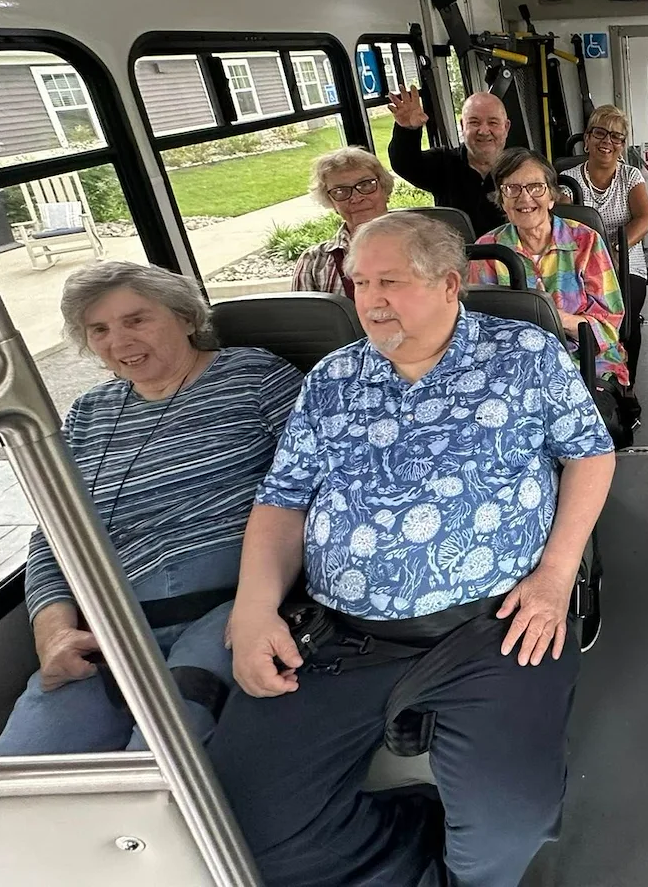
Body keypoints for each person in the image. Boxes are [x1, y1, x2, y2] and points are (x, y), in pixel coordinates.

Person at [210, 213, 616, 887]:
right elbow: (283, 499)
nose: (370, 300)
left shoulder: (523, 354)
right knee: (242, 828)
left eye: (390, 282)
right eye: (360, 283)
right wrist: (255, 608)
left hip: (496, 626)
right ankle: (417, 843)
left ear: (450, 284)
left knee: (508, 834)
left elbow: (591, 455)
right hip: (341, 633)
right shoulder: (333, 379)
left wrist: (555, 574)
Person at [0, 262, 302, 756]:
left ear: (184, 317)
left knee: (162, 762)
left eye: (136, 320)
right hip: (112, 627)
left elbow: (319, 485)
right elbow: (54, 533)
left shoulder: (254, 377)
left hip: (228, 607)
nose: (119, 341)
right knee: (17, 775)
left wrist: (262, 603)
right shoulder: (90, 413)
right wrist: (53, 635)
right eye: (99, 329)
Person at [471, 148, 629, 387]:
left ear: (552, 196)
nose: (524, 198)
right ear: (502, 201)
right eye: (511, 188)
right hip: (515, 365)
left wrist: (555, 319)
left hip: (586, 360)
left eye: (536, 187)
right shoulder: (487, 250)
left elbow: (609, 325)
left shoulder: (586, 241)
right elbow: (480, 326)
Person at [563, 105, 648, 384]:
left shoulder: (631, 177)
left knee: (626, 317)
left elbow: (644, 218)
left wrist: (615, 250)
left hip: (625, 258)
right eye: (600, 133)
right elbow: (566, 221)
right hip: (579, 260)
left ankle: (627, 385)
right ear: (587, 139)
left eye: (616, 137)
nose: (607, 142)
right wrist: (594, 256)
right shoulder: (568, 180)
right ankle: (588, 377)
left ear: (623, 145)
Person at [388, 86, 509, 234]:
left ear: (506, 127)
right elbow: (405, 163)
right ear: (462, 126)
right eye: (474, 122)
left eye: (493, 123)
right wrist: (407, 130)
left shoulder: (521, 167)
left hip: (512, 255)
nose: (483, 131)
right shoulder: (444, 164)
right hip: (457, 254)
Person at [292, 147, 395, 297]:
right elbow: (300, 318)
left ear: (384, 189)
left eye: (366, 185)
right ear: (331, 203)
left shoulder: (424, 244)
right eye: (341, 191)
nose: (356, 198)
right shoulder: (313, 262)